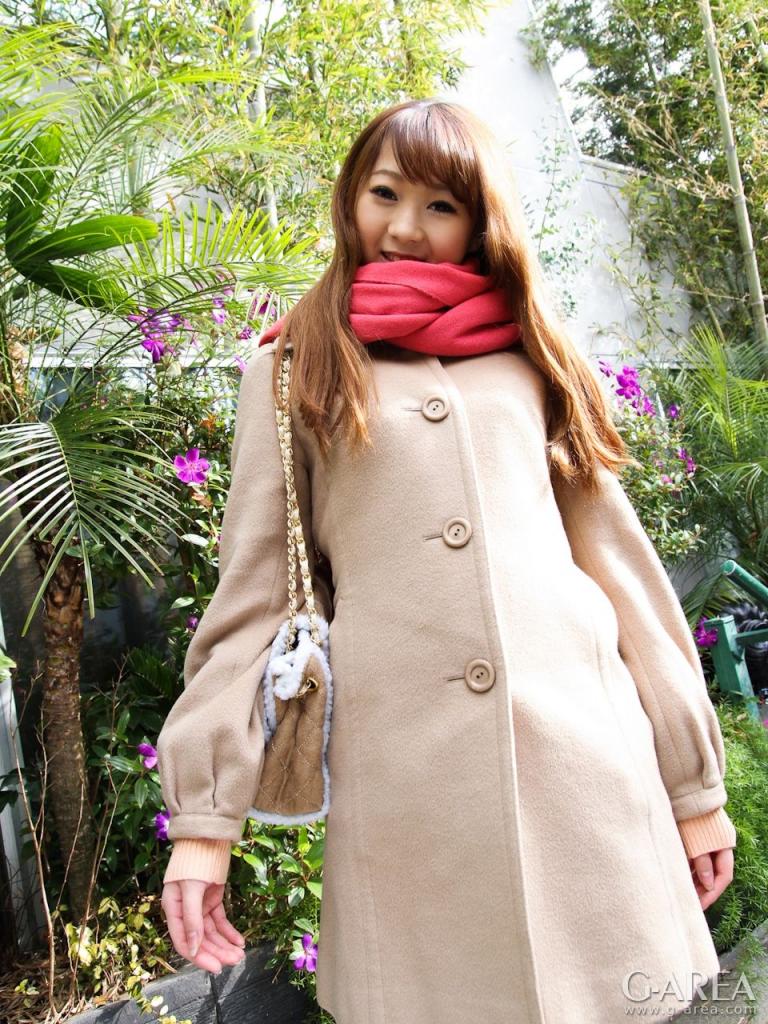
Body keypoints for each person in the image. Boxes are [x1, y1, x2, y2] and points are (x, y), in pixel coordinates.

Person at [156, 98, 737, 1023]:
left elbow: (620, 571)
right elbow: (255, 599)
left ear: (478, 222)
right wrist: (203, 820)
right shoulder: (294, 368)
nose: (404, 227)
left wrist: (693, 784)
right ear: (351, 198)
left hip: (585, 762)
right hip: (407, 786)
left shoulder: (537, 355)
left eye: (440, 206)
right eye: (385, 194)